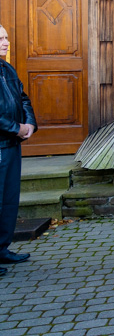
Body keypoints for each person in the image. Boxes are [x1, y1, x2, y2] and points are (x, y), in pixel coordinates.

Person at [0, 24, 37, 276]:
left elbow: (23, 97)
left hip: (12, 146)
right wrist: (16, 128)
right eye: (1, 38)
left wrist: (30, 123)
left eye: (6, 38)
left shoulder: (7, 68)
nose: (6, 42)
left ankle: (2, 249)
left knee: (9, 201)